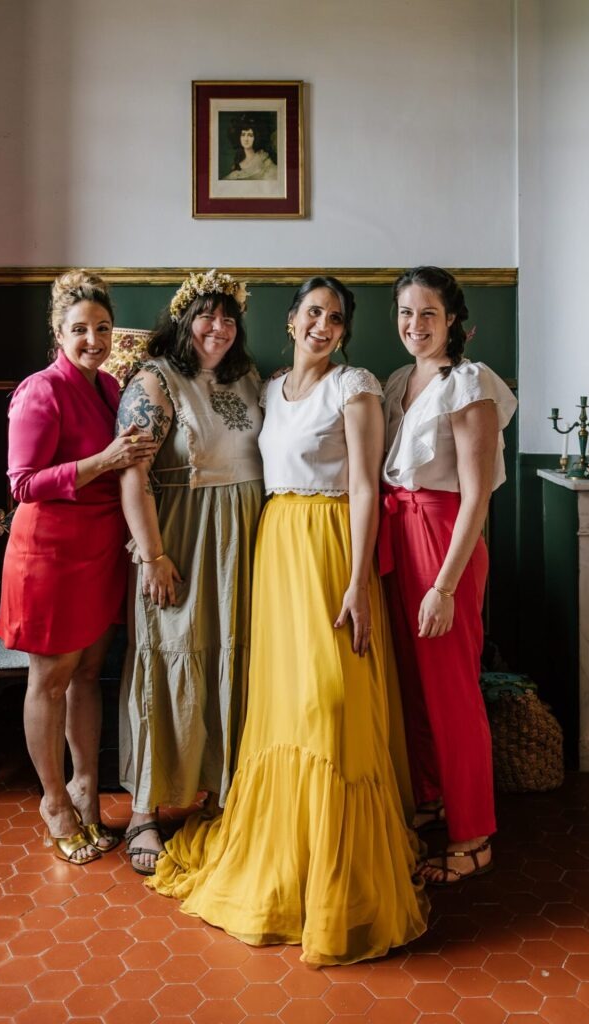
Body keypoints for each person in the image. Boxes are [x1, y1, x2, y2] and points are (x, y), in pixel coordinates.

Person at [149, 277, 429, 967]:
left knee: (332, 702)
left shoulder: (354, 385)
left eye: (335, 317)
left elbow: (365, 485)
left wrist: (359, 582)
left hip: (332, 546)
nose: (322, 325)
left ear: (344, 329)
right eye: (312, 313)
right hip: (276, 546)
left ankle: (342, 878)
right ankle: (285, 858)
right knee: (280, 708)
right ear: (291, 319)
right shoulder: (269, 390)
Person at [0, 270, 156, 864]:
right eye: (80, 329)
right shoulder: (40, 390)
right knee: (51, 679)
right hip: (51, 557)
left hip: (99, 550)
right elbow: (24, 484)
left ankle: (88, 789)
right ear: (58, 332)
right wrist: (105, 460)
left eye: (102, 328)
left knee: (89, 673)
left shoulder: (111, 388)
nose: (93, 338)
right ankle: (55, 802)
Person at [116, 270, 263, 876]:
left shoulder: (249, 380)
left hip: (246, 539)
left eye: (229, 318)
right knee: (169, 655)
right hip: (180, 534)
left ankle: (221, 791)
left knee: (232, 662)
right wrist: (152, 554)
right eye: (207, 316)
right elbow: (132, 473)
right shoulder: (156, 379)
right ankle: (144, 812)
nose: (218, 328)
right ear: (183, 319)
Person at [378, 265, 518, 885]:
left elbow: (476, 496)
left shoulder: (470, 383)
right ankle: (432, 797)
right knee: (412, 682)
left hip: (445, 539)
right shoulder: (398, 381)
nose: (416, 325)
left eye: (428, 313)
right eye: (406, 313)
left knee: (452, 690)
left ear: (453, 318)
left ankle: (473, 834)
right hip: (396, 531)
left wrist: (445, 585)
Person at [224, 115, 277, 181]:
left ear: (256, 137)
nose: (246, 139)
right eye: (243, 135)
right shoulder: (239, 162)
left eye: (250, 135)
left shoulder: (264, 160)